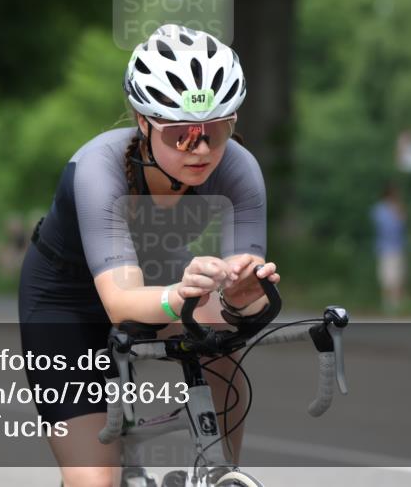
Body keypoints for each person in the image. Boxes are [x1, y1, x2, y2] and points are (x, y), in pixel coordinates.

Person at [18, 24, 278, 487]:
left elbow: (240, 302)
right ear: (143, 121)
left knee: (222, 340)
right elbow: (121, 302)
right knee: (96, 480)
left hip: (162, 275)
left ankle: (219, 473)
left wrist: (246, 297)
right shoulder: (97, 169)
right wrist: (184, 296)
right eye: (181, 135)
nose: (201, 149)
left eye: (216, 131)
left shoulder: (240, 169)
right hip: (66, 298)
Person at [370, 183, 406, 313]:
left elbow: (402, 226)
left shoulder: (397, 208)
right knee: (387, 277)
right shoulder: (380, 210)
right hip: (385, 247)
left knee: (398, 277)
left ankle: (396, 304)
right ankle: (387, 304)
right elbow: (384, 228)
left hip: (398, 246)